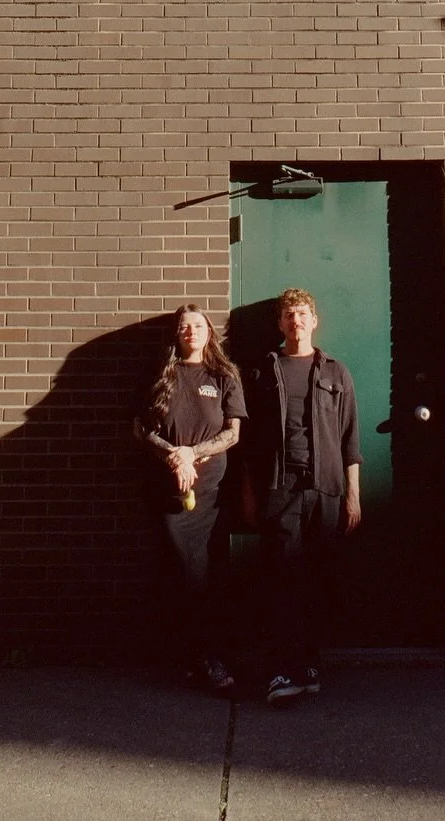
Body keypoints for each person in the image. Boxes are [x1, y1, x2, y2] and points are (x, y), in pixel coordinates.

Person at [242, 286, 361, 706]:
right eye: (289, 314)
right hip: (280, 488)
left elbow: (350, 439)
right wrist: (250, 494)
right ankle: (280, 670)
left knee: (319, 581)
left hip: (325, 489)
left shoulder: (336, 372)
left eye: (303, 313)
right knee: (281, 579)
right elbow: (250, 442)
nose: (296, 320)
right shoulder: (262, 371)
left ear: (315, 321)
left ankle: (307, 665)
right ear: (280, 324)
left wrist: (353, 496)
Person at [133, 302, 247, 694]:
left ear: (209, 332)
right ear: (176, 334)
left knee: (207, 575)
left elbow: (233, 434)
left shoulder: (223, 375)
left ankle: (209, 658)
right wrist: (173, 456)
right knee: (181, 573)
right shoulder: (160, 375)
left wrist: (191, 454)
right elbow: (141, 429)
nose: (191, 331)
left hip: (211, 493)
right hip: (169, 493)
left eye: (198, 325)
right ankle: (192, 657)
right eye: (184, 326)